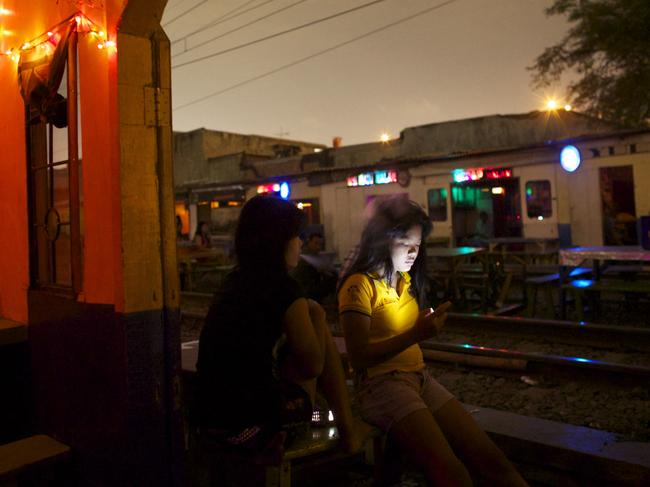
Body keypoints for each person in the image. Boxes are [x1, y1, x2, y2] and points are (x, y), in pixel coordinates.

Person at [338, 197, 528, 486]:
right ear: (382, 240)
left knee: (491, 459)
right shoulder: (359, 285)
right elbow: (359, 356)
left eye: (418, 243)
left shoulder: (403, 281)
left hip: (419, 378)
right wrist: (416, 334)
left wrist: (419, 328)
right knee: (453, 474)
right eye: (405, 242)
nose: (414, 252)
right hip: (382, 385)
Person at [194, 195, 371, 464]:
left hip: (210, 425)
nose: (300, 243)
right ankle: (349, 432)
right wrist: (318, 317)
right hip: (252, 432)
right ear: (278, 242)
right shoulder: (285, 290)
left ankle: (345, 429)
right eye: (296, 236)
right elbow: (313, 366)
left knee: (307, 321)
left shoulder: (233, 281)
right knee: (317, 320)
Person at [290, 232, 337, 303]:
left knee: (333, 274)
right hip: (303, 292)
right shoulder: (304, 255)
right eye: (316, 243)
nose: (318, 247)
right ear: (309, 242)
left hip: (307, 288)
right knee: (333, 278)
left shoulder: (314, 255)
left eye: (320, 244)